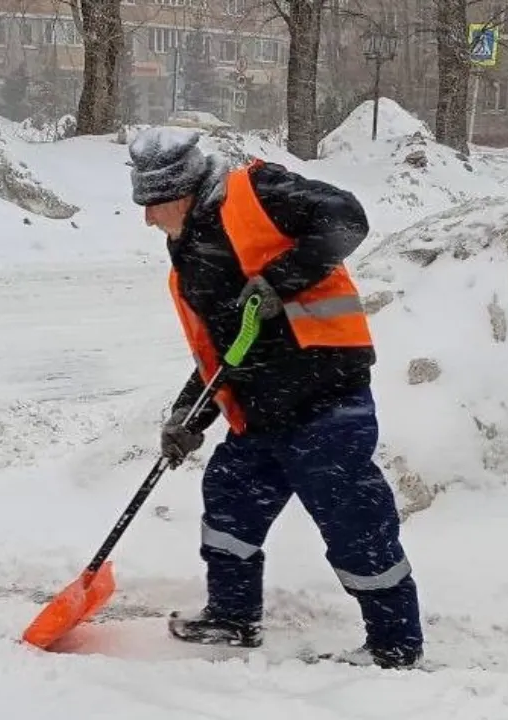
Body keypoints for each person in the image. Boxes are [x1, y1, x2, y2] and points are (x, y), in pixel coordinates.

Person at [126, 126, 425, 670]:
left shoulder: (257, 194)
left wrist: (279, 280)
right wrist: (187, 416)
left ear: (181, 193)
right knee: (228, 506)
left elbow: (348, 218)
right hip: (260, 415)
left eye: (152, 205)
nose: (146, 219)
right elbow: (224, 352)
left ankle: (394, 646)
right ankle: (232, 617)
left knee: (355, 522)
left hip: (326, 402)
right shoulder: (189, 254)